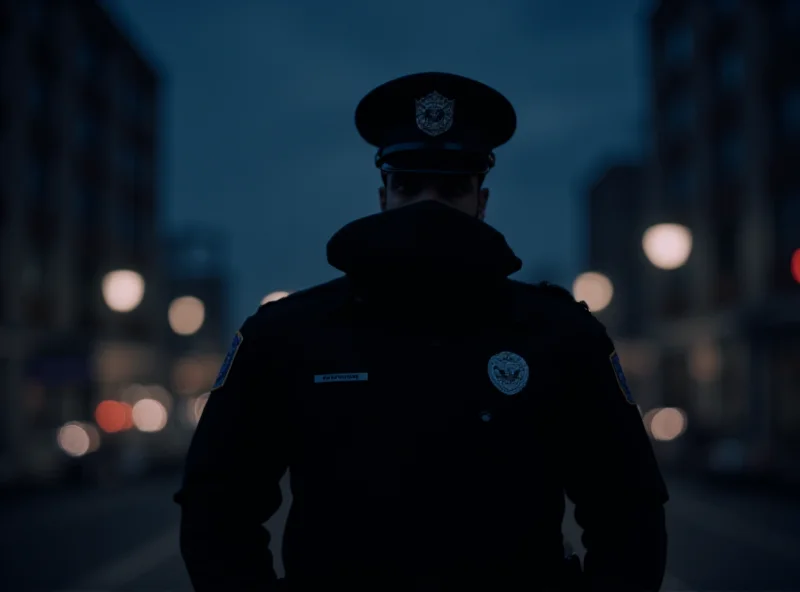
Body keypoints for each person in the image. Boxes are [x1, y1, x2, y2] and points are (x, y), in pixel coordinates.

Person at [174, 72, 669, 592]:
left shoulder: (558, 335)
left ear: (481, 201)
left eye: (452, 187)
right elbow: (217, 506)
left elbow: (627, 510)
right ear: (383, 195)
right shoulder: (288, 335)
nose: (428, 206)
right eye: (409, 185)